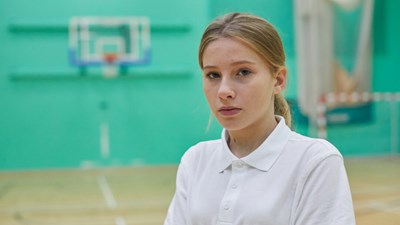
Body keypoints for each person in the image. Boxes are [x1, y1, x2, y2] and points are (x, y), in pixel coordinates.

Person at [164, 12, 355, 225]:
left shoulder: (315, 161)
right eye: (213, 75)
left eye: (243, 72)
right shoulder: (195, 160)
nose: (223, 91)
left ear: (278, 80)